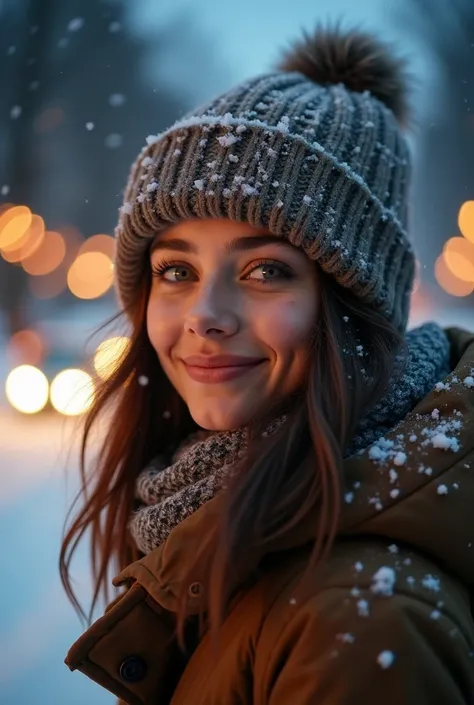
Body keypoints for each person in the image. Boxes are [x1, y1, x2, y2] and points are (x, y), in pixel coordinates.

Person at [61, 23, 474, 705]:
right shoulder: (234, 524)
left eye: (264, 269)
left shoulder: (359, 620)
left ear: (353, 305)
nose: (205, 314)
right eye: (176, 270)